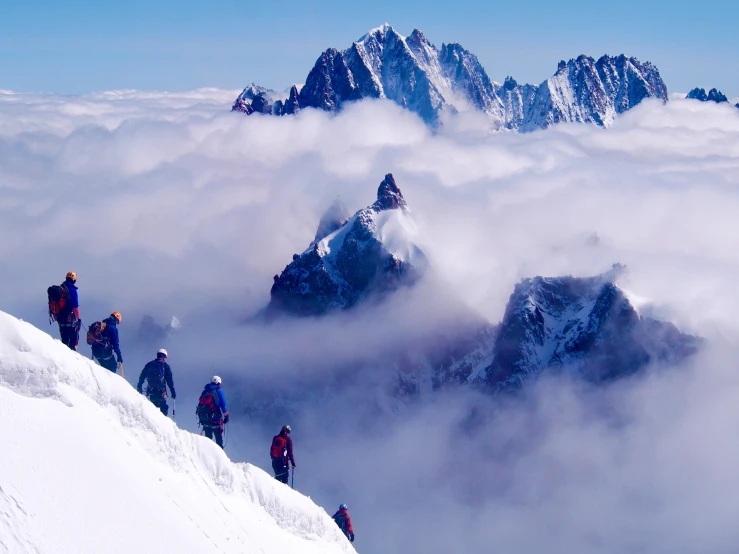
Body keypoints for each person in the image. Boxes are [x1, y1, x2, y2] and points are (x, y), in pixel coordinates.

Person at [136, 349, 176, 416]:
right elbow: (169, 380)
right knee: (163, 408)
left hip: (151, 390)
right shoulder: (165, 366)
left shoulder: (149, 364)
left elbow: (142, 376)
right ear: (164, 356)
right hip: (162, 391)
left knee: (153, 408)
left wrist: (139, 386)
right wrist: (173, 391)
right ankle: (163, 423)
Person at [196, 376, 229, 448]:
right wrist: (226, 415)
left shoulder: (205, 391)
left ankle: (207, 453)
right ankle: (220, 456)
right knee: (218, 439)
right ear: (218, 383)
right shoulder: (218, 391)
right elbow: (222, 404)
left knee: (208, 439)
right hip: (215, 419)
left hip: (204, 419)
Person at [57, 271, 81, 350]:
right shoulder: (72, 290)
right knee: (73, 340)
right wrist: (78, 319)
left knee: (64, 340)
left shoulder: (60, 288)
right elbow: (75, 306)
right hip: (70, 319)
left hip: (60, 319)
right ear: (74, 280)